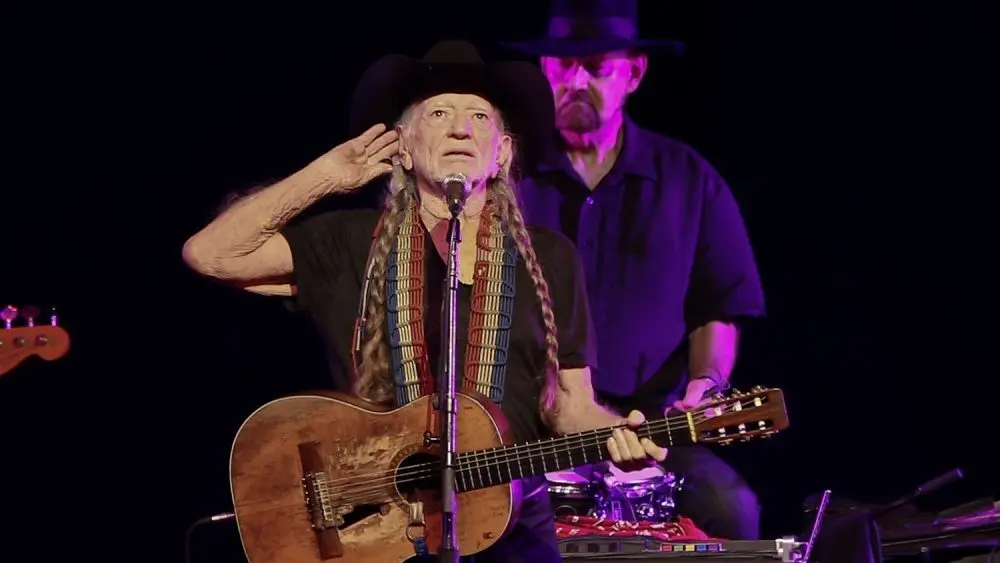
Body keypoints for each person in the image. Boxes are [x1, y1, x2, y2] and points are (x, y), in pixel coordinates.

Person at [182, 40, 668, 562]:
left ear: (502, 153)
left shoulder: (550, 258)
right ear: (404, 149)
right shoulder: (350, 243)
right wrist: (326, 177)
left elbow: (569, 405)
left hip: (513, 531)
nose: (461, 129)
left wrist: (620, 436)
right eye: (439, 114)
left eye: (479, 116)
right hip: (373, 528)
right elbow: (209, 254)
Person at [503, 0, 767, 541]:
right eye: (563, 67)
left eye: (597, 68)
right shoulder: (505, 175)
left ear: (634, 73)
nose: (577, 82)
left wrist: (706, 385)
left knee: (731, 508)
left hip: (653, 427)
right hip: (529, 428)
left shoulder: (688, 178)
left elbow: (718, 306)